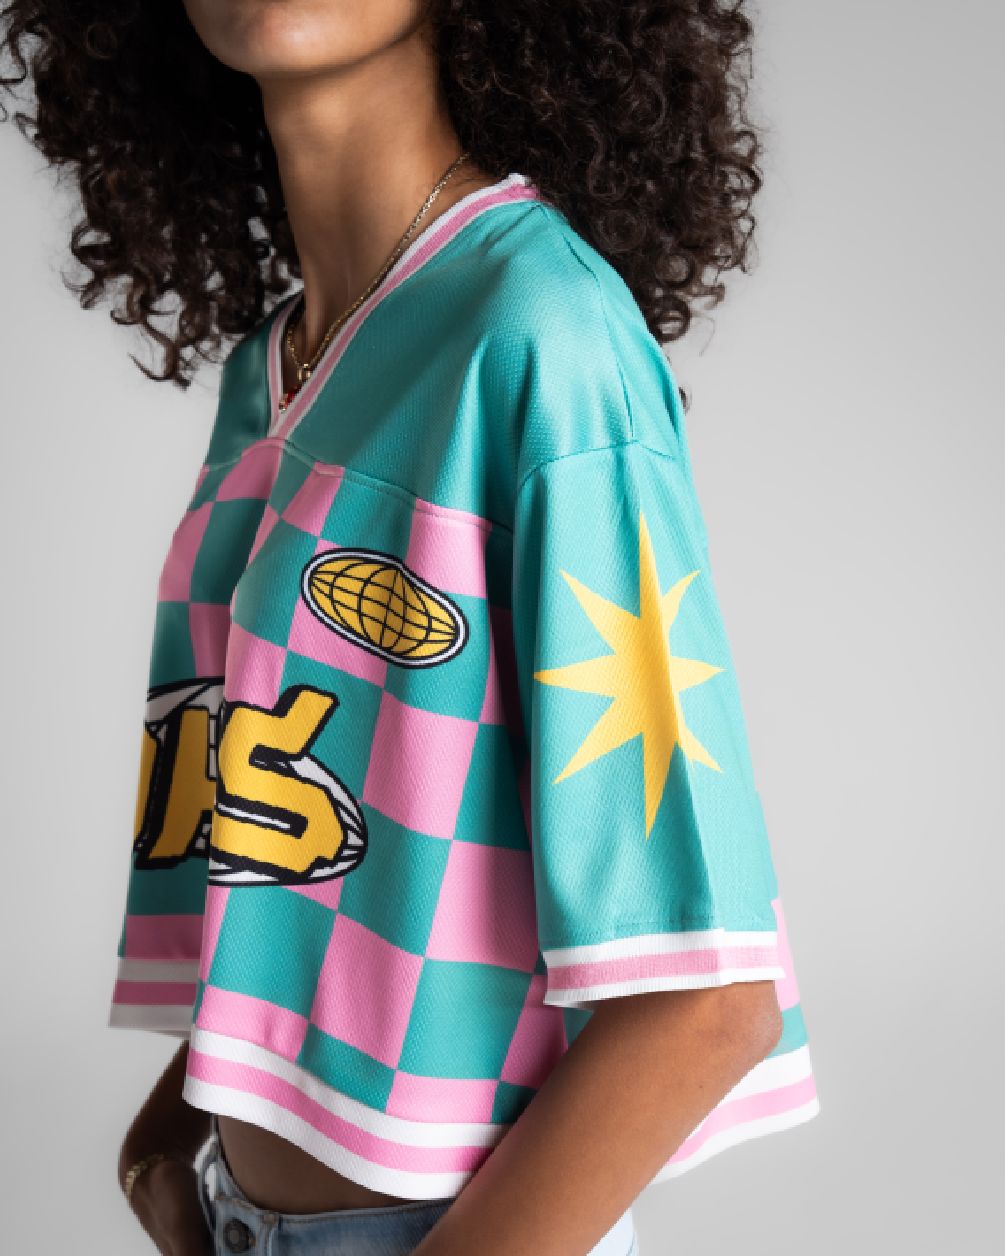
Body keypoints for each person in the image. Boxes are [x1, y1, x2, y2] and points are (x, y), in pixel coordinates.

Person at [0, 2, 820, 1254]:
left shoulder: (541, 332)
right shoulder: (274, 365)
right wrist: (163, 1147)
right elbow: (315, 861)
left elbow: (708, 1002)